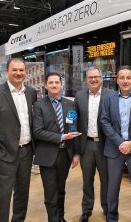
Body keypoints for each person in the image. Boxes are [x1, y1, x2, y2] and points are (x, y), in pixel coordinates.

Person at [0, 57, 37, 222]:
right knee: (3, 196)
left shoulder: (31, 93)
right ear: (7, 72)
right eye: (15, 70)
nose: (18, 73)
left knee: (22, 193)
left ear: (26, 72)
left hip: (27, 152)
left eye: (21, 70)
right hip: (5, 154)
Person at [100, 65, 131, 222]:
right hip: (114, 149)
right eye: (122, 77)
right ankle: (112, 217)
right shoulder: (108, 98)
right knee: (112, 188)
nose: (125, 81)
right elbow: (104, 121)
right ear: (117, 80)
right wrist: (120, 142)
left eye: (128, 77)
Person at [33, 72, 81, 222]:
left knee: (61, 190)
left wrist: (76, 153)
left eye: (57, 82)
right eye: (51, 83)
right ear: (46, 85)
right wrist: (61, 137)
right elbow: (38, 131)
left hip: (64, 155)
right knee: (50, 192)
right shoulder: (39, 105)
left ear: (61, 85)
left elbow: (73, 129)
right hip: (47, 156)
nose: (54, 85)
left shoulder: (69, 104)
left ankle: (61, 217)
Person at [75, 67, 112, 222]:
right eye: (90, 77)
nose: (93, 80)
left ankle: (108, 209)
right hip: (87, 145)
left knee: (106, 180)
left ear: (101, 78)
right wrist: (76, 151)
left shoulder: (110, 95)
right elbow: (75, 122)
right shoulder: (79, 95)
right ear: (86, 79)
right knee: (87, 181)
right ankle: (86, 210)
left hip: (105, 146)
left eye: (96, 77)